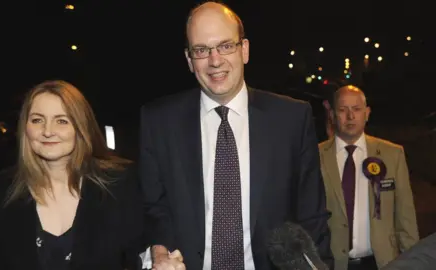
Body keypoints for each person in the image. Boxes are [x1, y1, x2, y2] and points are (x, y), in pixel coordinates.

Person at [139, 2, 333, 270]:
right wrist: (159, 253)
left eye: (226, 46)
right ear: (188, 59)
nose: (215, 60)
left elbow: (312, 215)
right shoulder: (158, 121)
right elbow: (153, 208)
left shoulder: (291, 119)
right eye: (201, 50)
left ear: (244, 50)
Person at [0, 80, 144, 270]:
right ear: (25, 127)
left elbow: (140, 256)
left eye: (61, 121)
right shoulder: (2, 189)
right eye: (37, 120)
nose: (48, 131)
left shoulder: (118, 183)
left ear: (81, 127)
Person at [318, 85, 419, 270]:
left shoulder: (392, 154)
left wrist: (413, 262)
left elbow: (405, 217)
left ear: (367, 113)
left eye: (356, 109)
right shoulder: (315, 156)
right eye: (342, 110)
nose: (350, 116)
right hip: (332, 264)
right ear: (332, 115)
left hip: (382, 263)